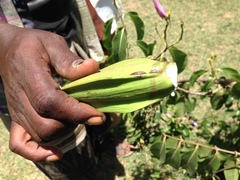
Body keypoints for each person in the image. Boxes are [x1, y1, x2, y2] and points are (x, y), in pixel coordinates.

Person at [0, 0, 129, 179]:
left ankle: (104, 143)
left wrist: (95, 15)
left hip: (69, 36)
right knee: (65, 149)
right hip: (14, 68)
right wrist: (4, 41)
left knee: (97, 114)